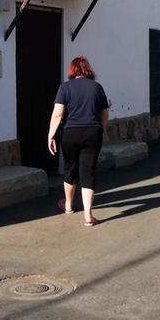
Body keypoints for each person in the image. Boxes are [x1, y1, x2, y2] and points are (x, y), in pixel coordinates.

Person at [48, 56, 110, 226]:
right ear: (88, 70)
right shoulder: (97, 87)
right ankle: (88, 216)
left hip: (70, 133)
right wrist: (102, 129)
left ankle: (68, 206)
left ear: (73, 70)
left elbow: (58, 114)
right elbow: (104, 113)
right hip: (92, 132)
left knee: (70, 169)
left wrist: (51, 135)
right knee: (88, 172)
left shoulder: (65, 88)